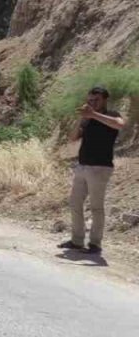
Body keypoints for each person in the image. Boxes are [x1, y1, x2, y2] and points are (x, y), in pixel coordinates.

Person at [58, 86, 127, 255]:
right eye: (90, 100)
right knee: (75, 203)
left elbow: (120, 125)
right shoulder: (87, 119)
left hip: (100, 167)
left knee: (96, 207)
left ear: (104, 100)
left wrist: (93, 114)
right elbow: (73, 138)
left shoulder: (112, 115)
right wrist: (80, 119)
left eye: (96, 100)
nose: (92, 103)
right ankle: (77, 240)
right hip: (82, 166)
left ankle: (95, 244)